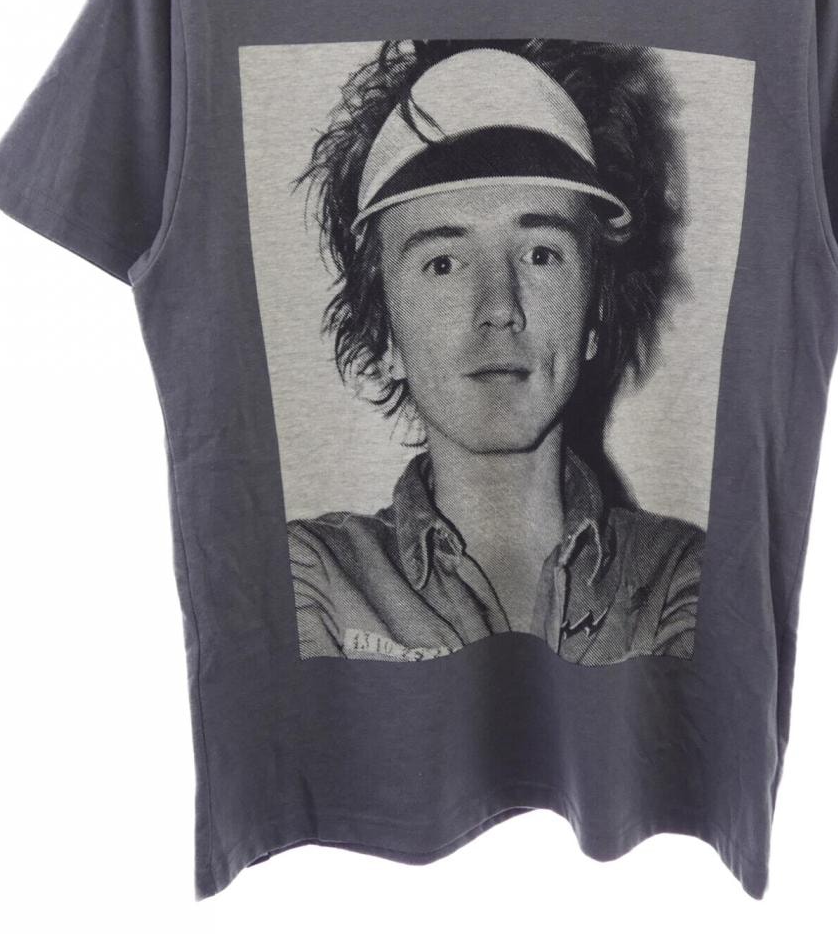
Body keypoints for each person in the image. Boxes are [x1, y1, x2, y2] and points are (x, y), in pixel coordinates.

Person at [287, 42, 704, 665]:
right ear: (386, 335)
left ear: (592, 315)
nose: (499, 306)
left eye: (540, 254)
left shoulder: (681, 579)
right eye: (443, 263)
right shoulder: (313, 576)